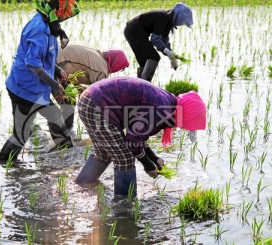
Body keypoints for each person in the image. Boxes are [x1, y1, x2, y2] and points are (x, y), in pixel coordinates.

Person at [75, 77, 206, 196]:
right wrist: (148, 165)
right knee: (125, 159)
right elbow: (132, 142)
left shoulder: (168, 103)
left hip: (91, 99)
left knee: (106, 152)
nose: (181, 127)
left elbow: (137, 134)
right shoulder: (161, 110)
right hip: (96, 106)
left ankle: (82, 184)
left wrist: (154, 158)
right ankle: (125, 205)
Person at [0, 0, 80, 162]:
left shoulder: (47, 24)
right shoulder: (39, 30)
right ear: (55, 12)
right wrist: (55, 85)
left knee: (55, 116)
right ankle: (4, 164)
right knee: (22, 132)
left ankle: (64, 156)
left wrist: (57, 71)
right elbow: (33, 64)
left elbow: (43, 57)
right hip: (25, 89)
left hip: (36, 88)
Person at [56, 42, 129, 128]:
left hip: (55, 53)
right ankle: (64, 130)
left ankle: (66, 130)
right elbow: (98, 96)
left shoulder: (97, 53)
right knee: (67, 102)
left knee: (69, 101)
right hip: (56, 62)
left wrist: (80, 88)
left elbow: (75, 67)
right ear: (117, 63)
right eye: (121, 68)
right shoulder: (100, 70)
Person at [124, 3, 193, 82]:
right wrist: (168, 52)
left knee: (145, 62)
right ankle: (144, 85)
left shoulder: (168, 20)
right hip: (134, 32)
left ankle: (140, 86)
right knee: (154, 57)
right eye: (183, 22)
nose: (182, 24)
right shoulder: (164, 18)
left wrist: (171, 55)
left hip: (132, 31)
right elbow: (155, 40)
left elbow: (164, 41)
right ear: (180, 17)